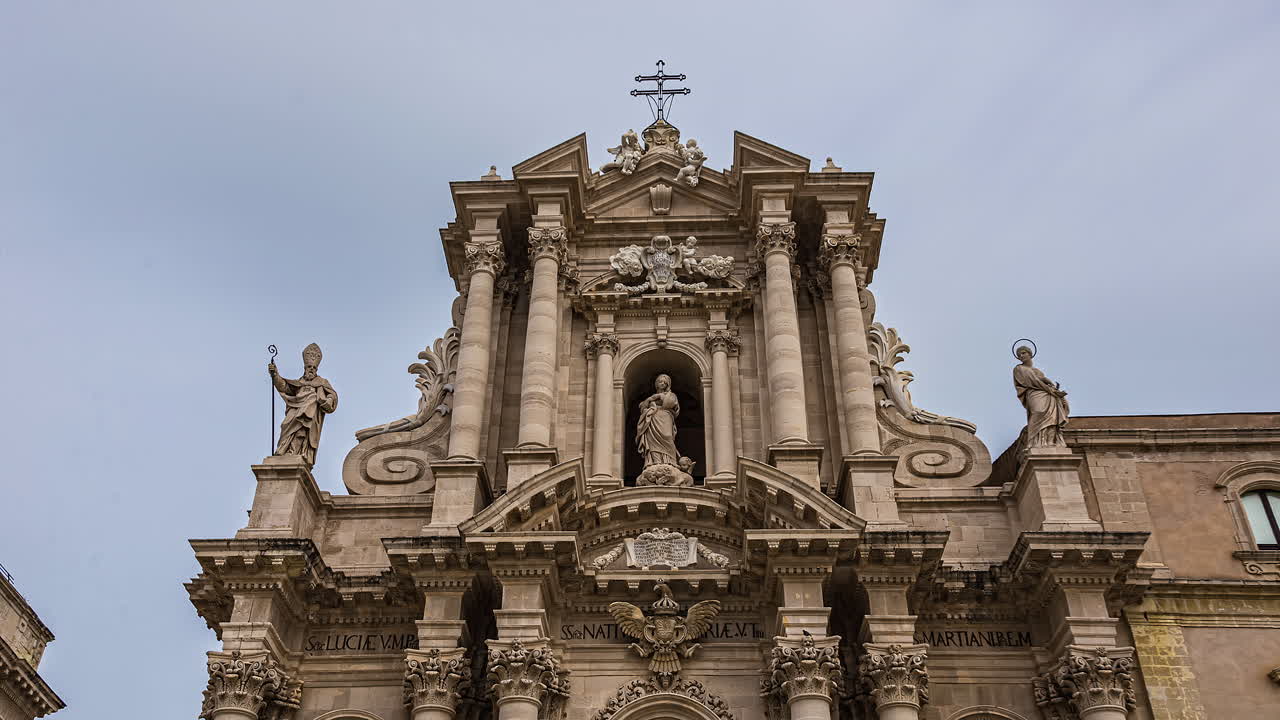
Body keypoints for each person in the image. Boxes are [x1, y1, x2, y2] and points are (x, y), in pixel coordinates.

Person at [270, 343, 338, 467]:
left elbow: (332, 395)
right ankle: (285, 451)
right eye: (309, 367)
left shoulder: (322, 382)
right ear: (305, 368)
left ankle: (296, 453)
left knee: (303, 430)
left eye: (314, 367)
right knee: (287, 427)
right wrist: (275, 375)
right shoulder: (299, 383)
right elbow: (284, 387)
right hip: (295, 409)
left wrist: (328, 400)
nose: (311, 369)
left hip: (310, 414)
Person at [1013, 346, 1069, 447]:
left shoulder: (1037, 371)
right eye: (1019, 355)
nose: (1021, 356)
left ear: (1030, 354)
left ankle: (1050, 442)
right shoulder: (1018, 369)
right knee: (1038, 412)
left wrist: (1054, 389)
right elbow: (1031, 381)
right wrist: (1051, 390)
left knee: (1051, 418)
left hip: (1048, 395)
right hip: (1034, 394)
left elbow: (1045, 380)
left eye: (1023, 353)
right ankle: (1034, 442)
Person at [636, 374, 680, 467]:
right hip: (652, 418)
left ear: (668, 385)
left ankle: (671, 462)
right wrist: (650, 399)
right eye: (660, 381)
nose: (663, 383)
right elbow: (642, 407)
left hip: (665, 416)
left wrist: (659, 396)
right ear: (656, 384)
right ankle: (654, 462)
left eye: (665, 382)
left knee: (668, 436)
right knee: (652, 440)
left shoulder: (671, 395)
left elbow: (671, 403)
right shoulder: (652, 397)